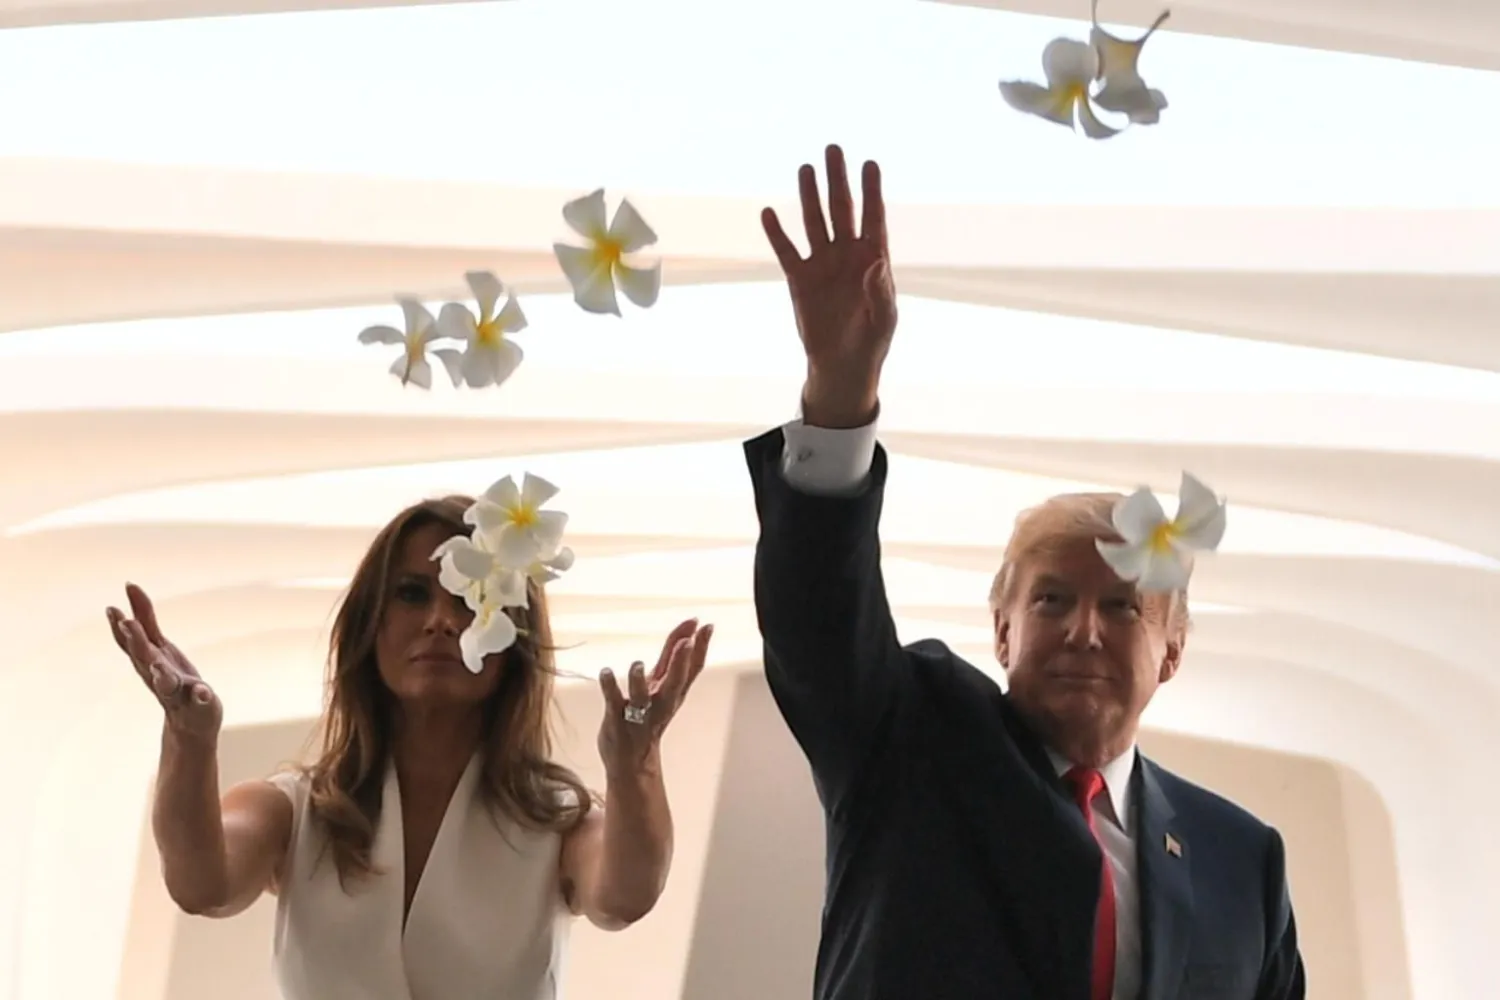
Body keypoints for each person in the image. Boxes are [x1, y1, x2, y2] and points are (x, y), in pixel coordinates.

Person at [745, 144, 1306, 1000]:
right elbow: (817, 616)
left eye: (1123, 607)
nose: (1084, 630)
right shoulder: (907, 744)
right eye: (1052, 599)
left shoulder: (1243, 858)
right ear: (1003, 630)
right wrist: (840, 392)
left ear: (1173, 649)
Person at [106, 495, 713, 1000]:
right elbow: (201, 884)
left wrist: (634, 763)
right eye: (413, 594)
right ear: (369, 624)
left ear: (513, 639)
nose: (441, 620)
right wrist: (189, 737)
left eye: (471, 597)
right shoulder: (295, 810)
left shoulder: (557, 824)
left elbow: (624, 896)